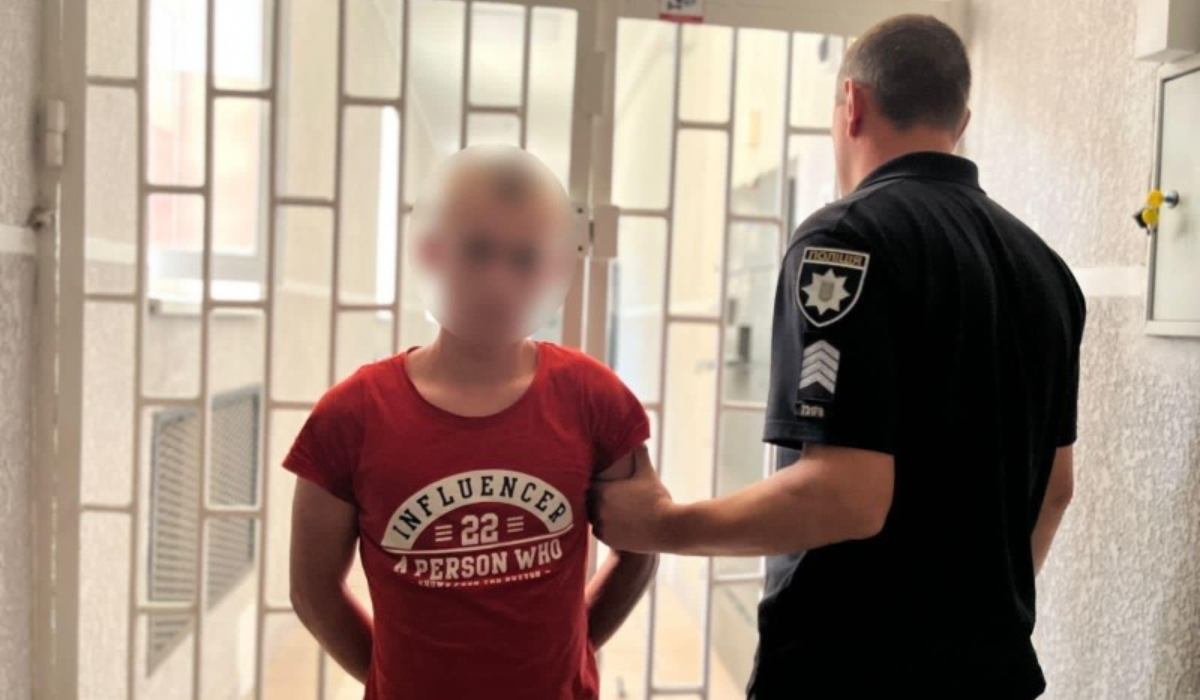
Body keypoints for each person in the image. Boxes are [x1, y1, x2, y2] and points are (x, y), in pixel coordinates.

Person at [591, 14, 1085, 700]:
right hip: (993, 678)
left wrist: (664, 526)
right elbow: (1057, 488)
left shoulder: (844, 238)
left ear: (852, 103)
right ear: (961, 121)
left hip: (847, 672)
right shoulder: (1047, 270)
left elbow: (845, 496)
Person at [286, 145, 657, 700]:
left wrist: (574, 653)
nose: (499, 282)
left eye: (524, 259)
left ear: (553, 268)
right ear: (433, 252)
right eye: (478, 251)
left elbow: (640, 549)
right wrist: (391, 679)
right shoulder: (350, 417)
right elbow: (313, 590)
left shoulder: (594, 398)